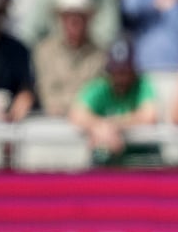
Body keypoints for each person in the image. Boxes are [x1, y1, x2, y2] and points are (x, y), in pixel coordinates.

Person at [69, 38, 161, 166]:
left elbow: (149, 116)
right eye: (116, 71)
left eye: (124, 71)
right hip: (109, 159)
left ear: (133, 70)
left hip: (141, 159)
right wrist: (99, 128)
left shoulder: (142, 85)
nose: (120, 77)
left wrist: (112, 126)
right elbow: (77, 114)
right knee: (100, 152)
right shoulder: (100, 87)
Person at [33, 0, 107, 118]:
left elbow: (99, 95)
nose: (74, 21)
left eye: (80, 15)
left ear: (88, 18)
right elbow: (47, 95)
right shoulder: (44, 52)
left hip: (88, 126)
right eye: (68, 15)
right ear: (60, 18)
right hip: (52, 126)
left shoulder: (101, 55)